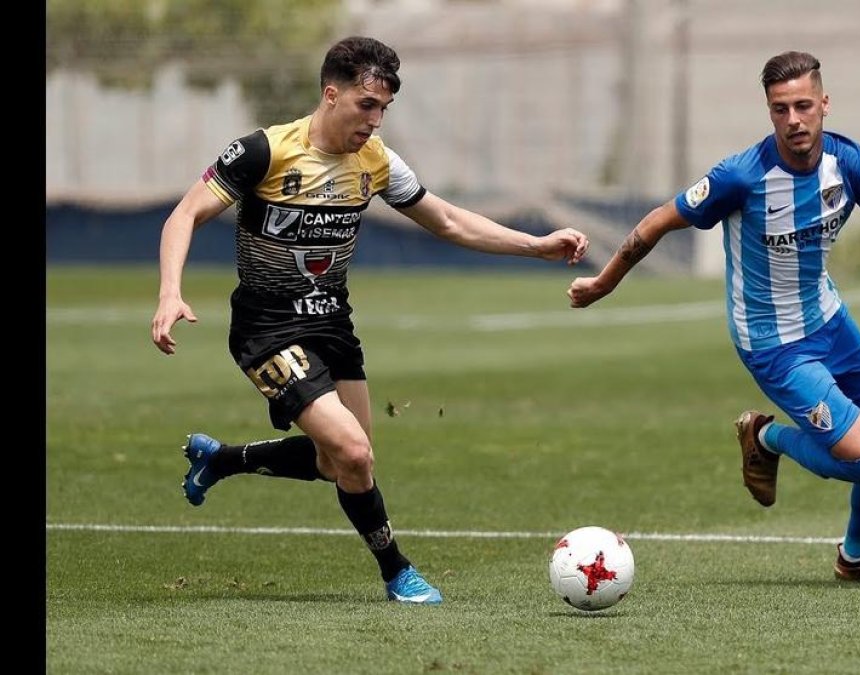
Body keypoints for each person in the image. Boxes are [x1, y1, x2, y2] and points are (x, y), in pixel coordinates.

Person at [151, 36, 589, 605]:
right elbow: (184, 215)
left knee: (339, 464)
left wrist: (537, 245)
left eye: (383, 109)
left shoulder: (375, 161)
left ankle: (222, 459)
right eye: (366, 105)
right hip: (267, 328)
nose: (375, 121)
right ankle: (397, 572)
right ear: (331, 95)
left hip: (333, 323)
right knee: (355, 455)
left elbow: (449, 221)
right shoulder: (264, 151)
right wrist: (169, 293)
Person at [567, 50, 860, 584]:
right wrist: (604, 283)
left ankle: (855, 558)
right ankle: (765, 438)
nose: (793, 120)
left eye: (803, 106)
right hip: (773, 342)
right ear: (769, 112)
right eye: (780, 109)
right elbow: (657, 222)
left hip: (829, 320)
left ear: (824, 105)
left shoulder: (849, 163)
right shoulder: (741, 176)